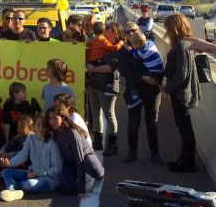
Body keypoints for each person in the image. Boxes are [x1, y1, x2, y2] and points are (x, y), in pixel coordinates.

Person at [89, 22, 163, 162]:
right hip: (134, 89)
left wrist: (154, 79)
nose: (130, 34)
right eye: (127, 32)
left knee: (152, 122)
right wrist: (143, 76)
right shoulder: (123, 50)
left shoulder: (149, 46)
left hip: (151, 91)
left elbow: (158, 65)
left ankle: (155, 153)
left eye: (133, 31)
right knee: (133, 123)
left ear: (139, 30)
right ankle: (132, 152)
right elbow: (124, 71)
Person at [163, 14, 201, 173]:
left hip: (181, 94)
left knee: (185, 128)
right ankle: (184, 159)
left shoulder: (180, 46)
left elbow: (182, 73)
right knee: (184, 128)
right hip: (185, 92)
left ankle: (188, 162)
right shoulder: (187, 43)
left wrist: (167, 89)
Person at [0, 113, 62, 202]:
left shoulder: (52, 143)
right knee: (6, 172)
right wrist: (10, 163)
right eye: (38, 125)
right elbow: (22, 156)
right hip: (31, 173)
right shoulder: (31, 138)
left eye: (44, 125)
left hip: (49, 179)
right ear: (34, 127)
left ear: (48, 127)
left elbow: (57, 169)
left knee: (29, 185)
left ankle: (11, 185)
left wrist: (38, 173)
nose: (41, 128)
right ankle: (12, 191)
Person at [47, 106, 104, 196]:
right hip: (70, 162)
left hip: (84, 159)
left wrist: (82, 190)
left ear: (63, 118)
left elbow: (80, 159)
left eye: (55, 118)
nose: (52, 121)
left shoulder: (72, 133)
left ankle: (96, 178)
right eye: (50, 119)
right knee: (66, 189)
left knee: (94, 169)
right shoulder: (55, 133)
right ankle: (76, 180)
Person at [85, 22, 124, 152]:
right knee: (95, 113)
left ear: (114, 32)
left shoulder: (119, 48)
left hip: (108, 85)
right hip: (94, 83)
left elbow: (110, 67)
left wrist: (93, 68)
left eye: (108, 29)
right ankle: (98, 142)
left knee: (109, 114)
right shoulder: (100, 43)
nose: (105, 32)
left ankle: (112, 144)